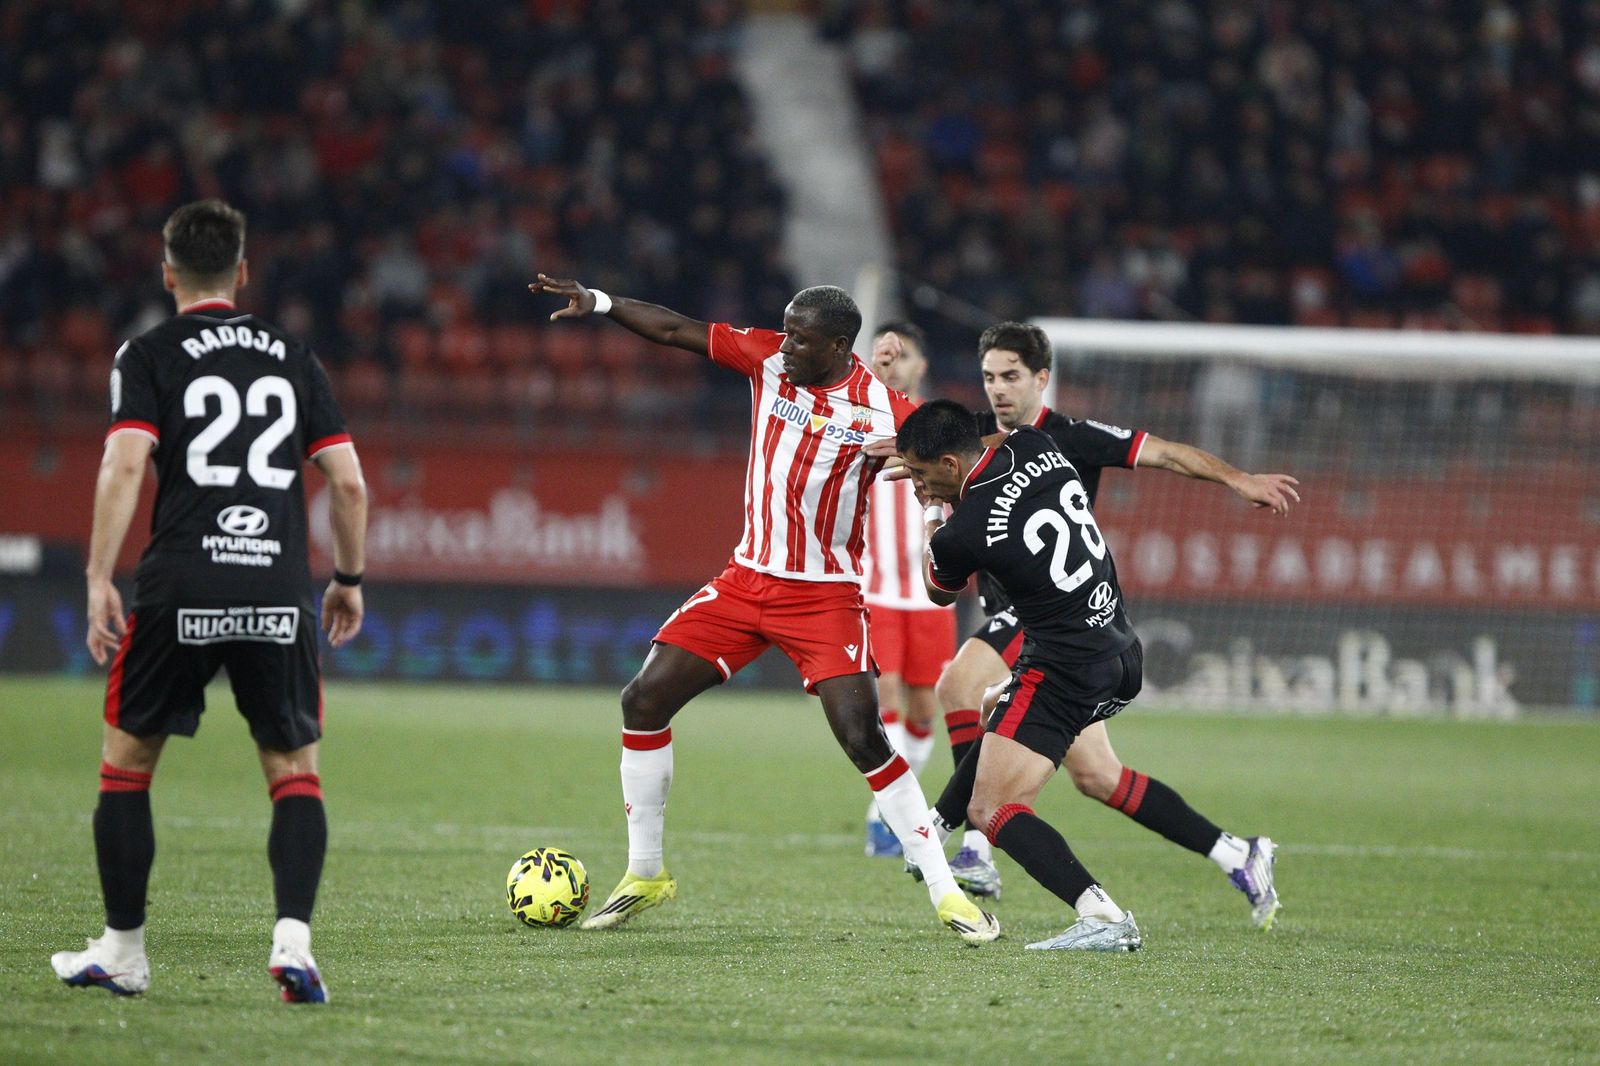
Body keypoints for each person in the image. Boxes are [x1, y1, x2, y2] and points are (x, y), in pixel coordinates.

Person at [528, 274, 999, 943]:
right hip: (746, 581)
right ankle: (645, 873)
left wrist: (936, 505)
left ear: (837, 345)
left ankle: (948, 895)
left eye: (801, 336)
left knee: (864, 738)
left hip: (824, 597)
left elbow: (957, 454)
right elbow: (673, 327)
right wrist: (600, 303)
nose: (787, 343)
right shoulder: (769, 361)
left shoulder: (879, 408)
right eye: (785, 328)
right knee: (643, 700)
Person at [51, 200, 368, 1001]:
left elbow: (125, 468)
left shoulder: (149, 353)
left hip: (181, 583)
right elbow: (350, 484)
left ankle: (124, 953)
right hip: (273, 586)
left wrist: (97, 578)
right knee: (295, 773)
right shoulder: (294, 355)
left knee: (127, 770)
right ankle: (293, 943)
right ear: (243, 270)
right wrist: (349, 579)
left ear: (167, 274)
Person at [932, 322, 1295, 926]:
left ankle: (972, 846)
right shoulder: (975, 440)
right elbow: (922, 441)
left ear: (1042, 378)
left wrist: (1237, 478)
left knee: (961, 687)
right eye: (989, 376)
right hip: (1049, 626)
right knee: (1099, 777)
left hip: (1052, 620)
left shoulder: (1070, 437)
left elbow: (1168, 453)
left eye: (1011, 376)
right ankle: (1238, 852)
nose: (997, 389)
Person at [898, 400, 1145, 950]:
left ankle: (1101, 914)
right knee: (992, 706)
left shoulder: (960, 531)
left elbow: (937, 592)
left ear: (948, 464)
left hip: (1062, 667)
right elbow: (991, 445)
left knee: (992, 810)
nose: (914, 481)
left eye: (918, 472)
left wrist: (930, 512)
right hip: (1121, 650)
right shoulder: (1034, 443)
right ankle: (937, 826)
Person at [860, 322, 958, 859]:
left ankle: (891, 811)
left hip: (929, 589)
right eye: (884, 355)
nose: (893, 364)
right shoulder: (861, 419)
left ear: (920, 365)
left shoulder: (940, 428)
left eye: (902, 356)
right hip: (875, 588)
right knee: (888, 700)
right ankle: (887, 817)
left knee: (924, 710)